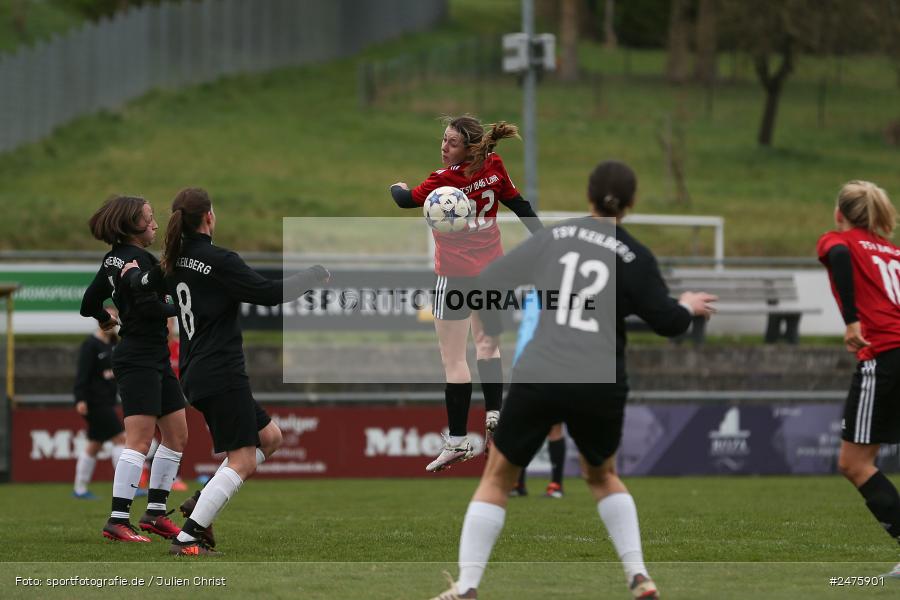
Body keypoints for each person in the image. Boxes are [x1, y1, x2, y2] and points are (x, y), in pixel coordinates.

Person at [428, 160, 716, 600]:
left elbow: (486, 282)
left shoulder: (554, 238)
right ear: (632, 204)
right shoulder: (635, 254)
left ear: (588, 195)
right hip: (599, 377)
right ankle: (639, 575)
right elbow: (668, 323)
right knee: (602, 477)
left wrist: (494, 328)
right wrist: (687, 306)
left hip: (542, 367)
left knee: (498, 477)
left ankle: (467, 586)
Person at [125, 187, 330, 556]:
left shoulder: (173, 260)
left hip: (195, 371)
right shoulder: (219, 260)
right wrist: (314, 275)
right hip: (220, 371)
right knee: (244, 460)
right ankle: (189, 538)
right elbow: (268, 294)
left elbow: (143, 288)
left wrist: (130, 280)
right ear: (209, 218)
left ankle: (199, 502)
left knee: (270, 438)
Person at [391, 114, 542, 472]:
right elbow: (520, 205)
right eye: (443, 140)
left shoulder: (441, 183)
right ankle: (495, 412)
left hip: (456, 278)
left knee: (454, 359)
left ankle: (457, 441)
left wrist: (395, 186)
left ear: (469, 147)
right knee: (488, 347)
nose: (444, 147)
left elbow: (404, 200)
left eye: (452, 143)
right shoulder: (494, 166)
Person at [80, 196, 188, 543]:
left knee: (176, 436)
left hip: (152, 355)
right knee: (139, 441)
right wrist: (184, 307)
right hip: (139, 355)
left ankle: (155, 513)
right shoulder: (138, 259)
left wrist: (104, 318)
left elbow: (88, 303)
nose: (155, 224)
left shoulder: (113, 257)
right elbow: (151, 307)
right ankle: (117, 519)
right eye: (149, 218)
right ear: (132, 225)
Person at [817, 180, 900, 579]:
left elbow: (836, 254)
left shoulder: (839, 240)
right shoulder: (895, 253)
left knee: (854, 462)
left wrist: (852, 320)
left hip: (884, 356)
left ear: (840, 214)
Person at [72, 306, 125, 500]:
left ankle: (79, 489)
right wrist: (80, 399)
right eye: (109, 317)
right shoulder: (91, 345)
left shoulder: (114, 344)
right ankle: (127, 486)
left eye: (115, 318)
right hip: (95, 402)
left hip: (108, 401)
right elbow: (82, 375)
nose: (112, 321)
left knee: (94, 444)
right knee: (121, 439)